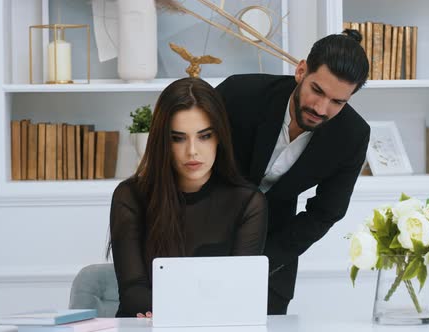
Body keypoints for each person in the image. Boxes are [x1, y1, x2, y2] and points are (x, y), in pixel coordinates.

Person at [215, 29, 370, 314]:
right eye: (318, 91)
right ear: (301, 71)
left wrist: (262, 261)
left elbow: (326, 212)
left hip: (273, 254)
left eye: (338, 102)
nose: (321, 109)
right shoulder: (238, 94)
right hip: (200, 234)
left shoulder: (353, 135)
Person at [107, 77, 268, 318]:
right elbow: (133, 296)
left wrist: (173, 310)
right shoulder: (130, 196)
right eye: (178, 138)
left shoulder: (248, 203)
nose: (192, 150)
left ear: (219, 138)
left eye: (204, 136)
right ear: (163, 141)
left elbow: (239, 296)